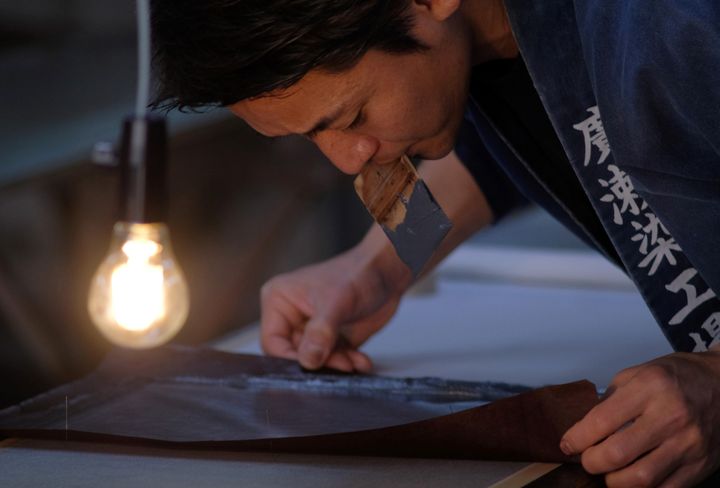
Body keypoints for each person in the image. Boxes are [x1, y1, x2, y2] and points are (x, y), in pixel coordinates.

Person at [150, 1, 720, 486]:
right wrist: (378, 266)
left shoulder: (674, 30)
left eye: (351, 116)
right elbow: (502, 152)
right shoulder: (482, 44)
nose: (347, 159)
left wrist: (714, 384)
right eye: (308, 136)